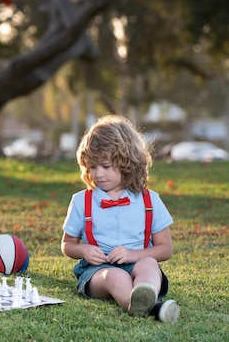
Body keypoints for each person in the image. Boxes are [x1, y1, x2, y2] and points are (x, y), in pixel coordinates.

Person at [61, 115, 180, 323]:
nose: (98, 174)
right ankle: (146, 308)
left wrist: (133, 255)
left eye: (105, 166)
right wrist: (84, 250)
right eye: (92, 167)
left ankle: (146, 294)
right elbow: (67, 244)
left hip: (136, 264)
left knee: (149, 264)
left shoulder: (149, 201)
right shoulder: (82, 201)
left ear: (127, 163)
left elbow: (165, 249)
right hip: (97, 271)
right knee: (116, 276)